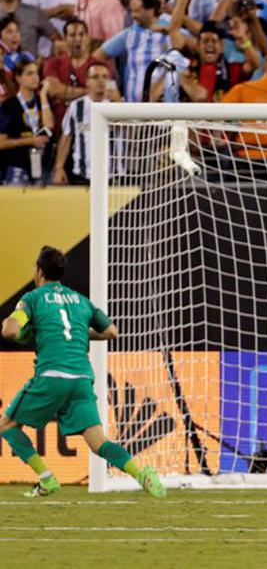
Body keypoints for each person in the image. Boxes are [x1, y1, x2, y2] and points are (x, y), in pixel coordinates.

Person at [0, 246, 165, 498]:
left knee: (7, 425)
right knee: (99, 442)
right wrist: (79, 333)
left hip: (52, 376)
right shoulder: (81, 300)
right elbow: (112, 331)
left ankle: (46, 479)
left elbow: (10, 331)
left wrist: (22, 328)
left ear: (40, 271)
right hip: (81, 379)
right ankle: (141, 474)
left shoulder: (33, 298)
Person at [52, 62, 118, 185]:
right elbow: (66, 138)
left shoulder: (117, 106)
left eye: (105, 77)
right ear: (87, 81)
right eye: (95, 77)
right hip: (82, 175)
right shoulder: (76, 106)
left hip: (112, 175)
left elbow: (131, 134)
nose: (101, 81)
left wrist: (118, 101)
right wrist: (59, 168)